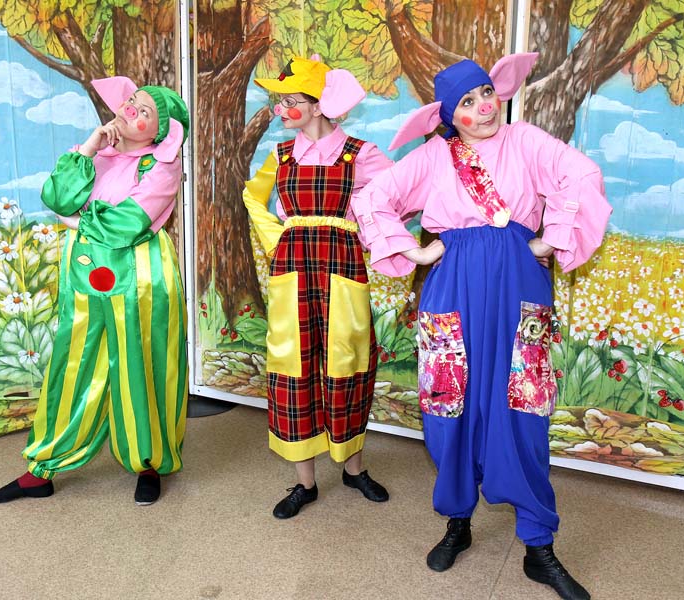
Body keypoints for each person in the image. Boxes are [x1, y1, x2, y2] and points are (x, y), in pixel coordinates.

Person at [351, 53, 610, 600]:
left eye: (487, 92)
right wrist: (417, 252)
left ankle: (539, 546)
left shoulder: (526, 141)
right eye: (467, 102)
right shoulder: (434, 155)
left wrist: (549, 238)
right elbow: (373, 198)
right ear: (449, 115)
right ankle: (458, 522)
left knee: (525, 410)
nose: (484, 107)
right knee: (450, 408)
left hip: (519, 285)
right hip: (453, 290)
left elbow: (582, 175)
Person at [0, 77, 190, 506]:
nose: (131, 110)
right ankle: (41, 468)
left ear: (160, 132)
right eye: (132, 102)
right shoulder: (97, 156)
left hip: (140, 278)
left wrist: (80, 221)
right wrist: (90, 146)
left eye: (145, 112)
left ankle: (149, 463)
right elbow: (58, 196)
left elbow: (128, 224)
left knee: (142, 365)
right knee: (73, 365)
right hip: (85, 276)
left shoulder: (162, 165)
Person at [243, 55, 393, 519]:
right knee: (294, 366)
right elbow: (253, 197)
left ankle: (353, 468)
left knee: (348, 364)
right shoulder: (281, 156)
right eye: (280, 101)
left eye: (290, 100)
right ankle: (304, 483)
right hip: (294, 269)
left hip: (342, 266)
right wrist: (278, 239)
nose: (282, 109)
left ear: (317, 105)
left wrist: (371, 235)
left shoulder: (360, 153)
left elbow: (394, 198)